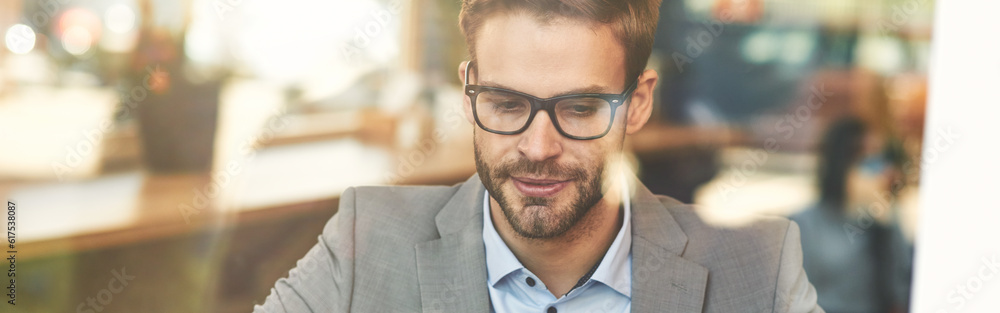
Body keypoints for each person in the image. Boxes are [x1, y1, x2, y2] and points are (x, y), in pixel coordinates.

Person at [255, 0, 823, 312]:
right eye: (505, 104)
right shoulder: (365, 241)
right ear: (469, 90)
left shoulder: (760, 268)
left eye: (578, 109)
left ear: (639, 103)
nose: (537, 147)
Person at [791, 118, 912, 313]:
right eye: (865, 160)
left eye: (879, 159)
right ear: (841, 162)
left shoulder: (884, 218)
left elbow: (900, 287)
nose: (880, 170)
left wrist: (886, 220)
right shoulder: (805, 224)